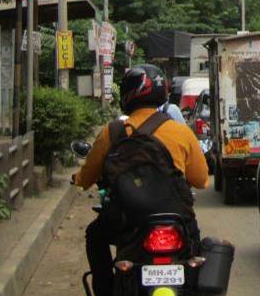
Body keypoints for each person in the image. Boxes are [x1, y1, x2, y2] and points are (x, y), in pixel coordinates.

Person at [74, 64, 208, 296]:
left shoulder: (113, 132)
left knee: (95, 235)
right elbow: (201, 179)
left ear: (127, 94)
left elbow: (86, 178)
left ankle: (105, 290)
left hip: (128, 221)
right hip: (177, 219)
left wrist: (78, 178)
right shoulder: (180, 132)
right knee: (196, 243)